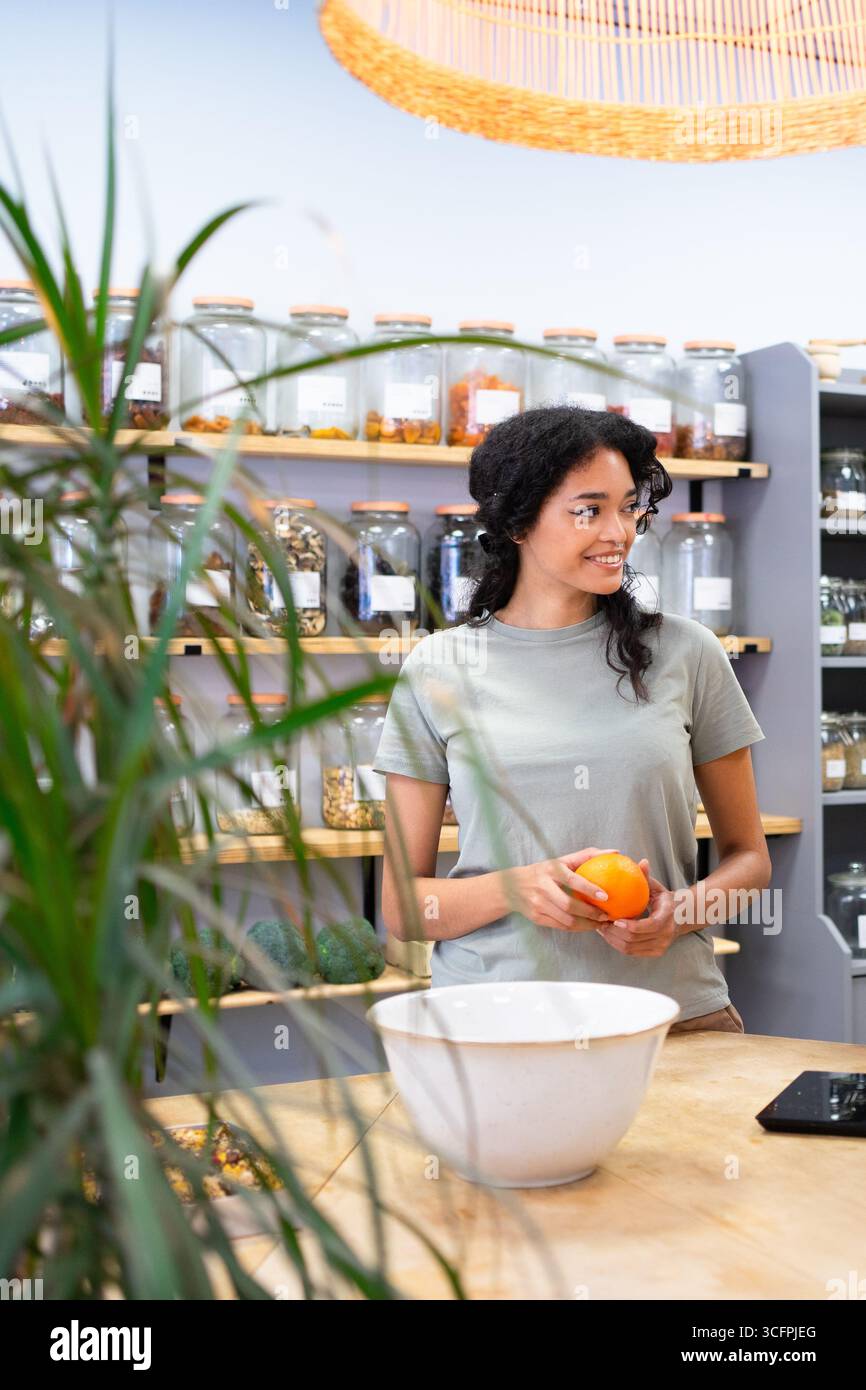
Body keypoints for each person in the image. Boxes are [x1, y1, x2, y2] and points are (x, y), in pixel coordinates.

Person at [373, 406, 770, 1033]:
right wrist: (516, 888)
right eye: (589, 510)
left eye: (629, 506)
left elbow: (750, 865)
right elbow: (403, 907)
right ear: (519, 522)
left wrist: (684, 911)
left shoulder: (689, 653)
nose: (619, 531)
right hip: (494, 1022)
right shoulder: (437, 668)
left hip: (674, 1019)